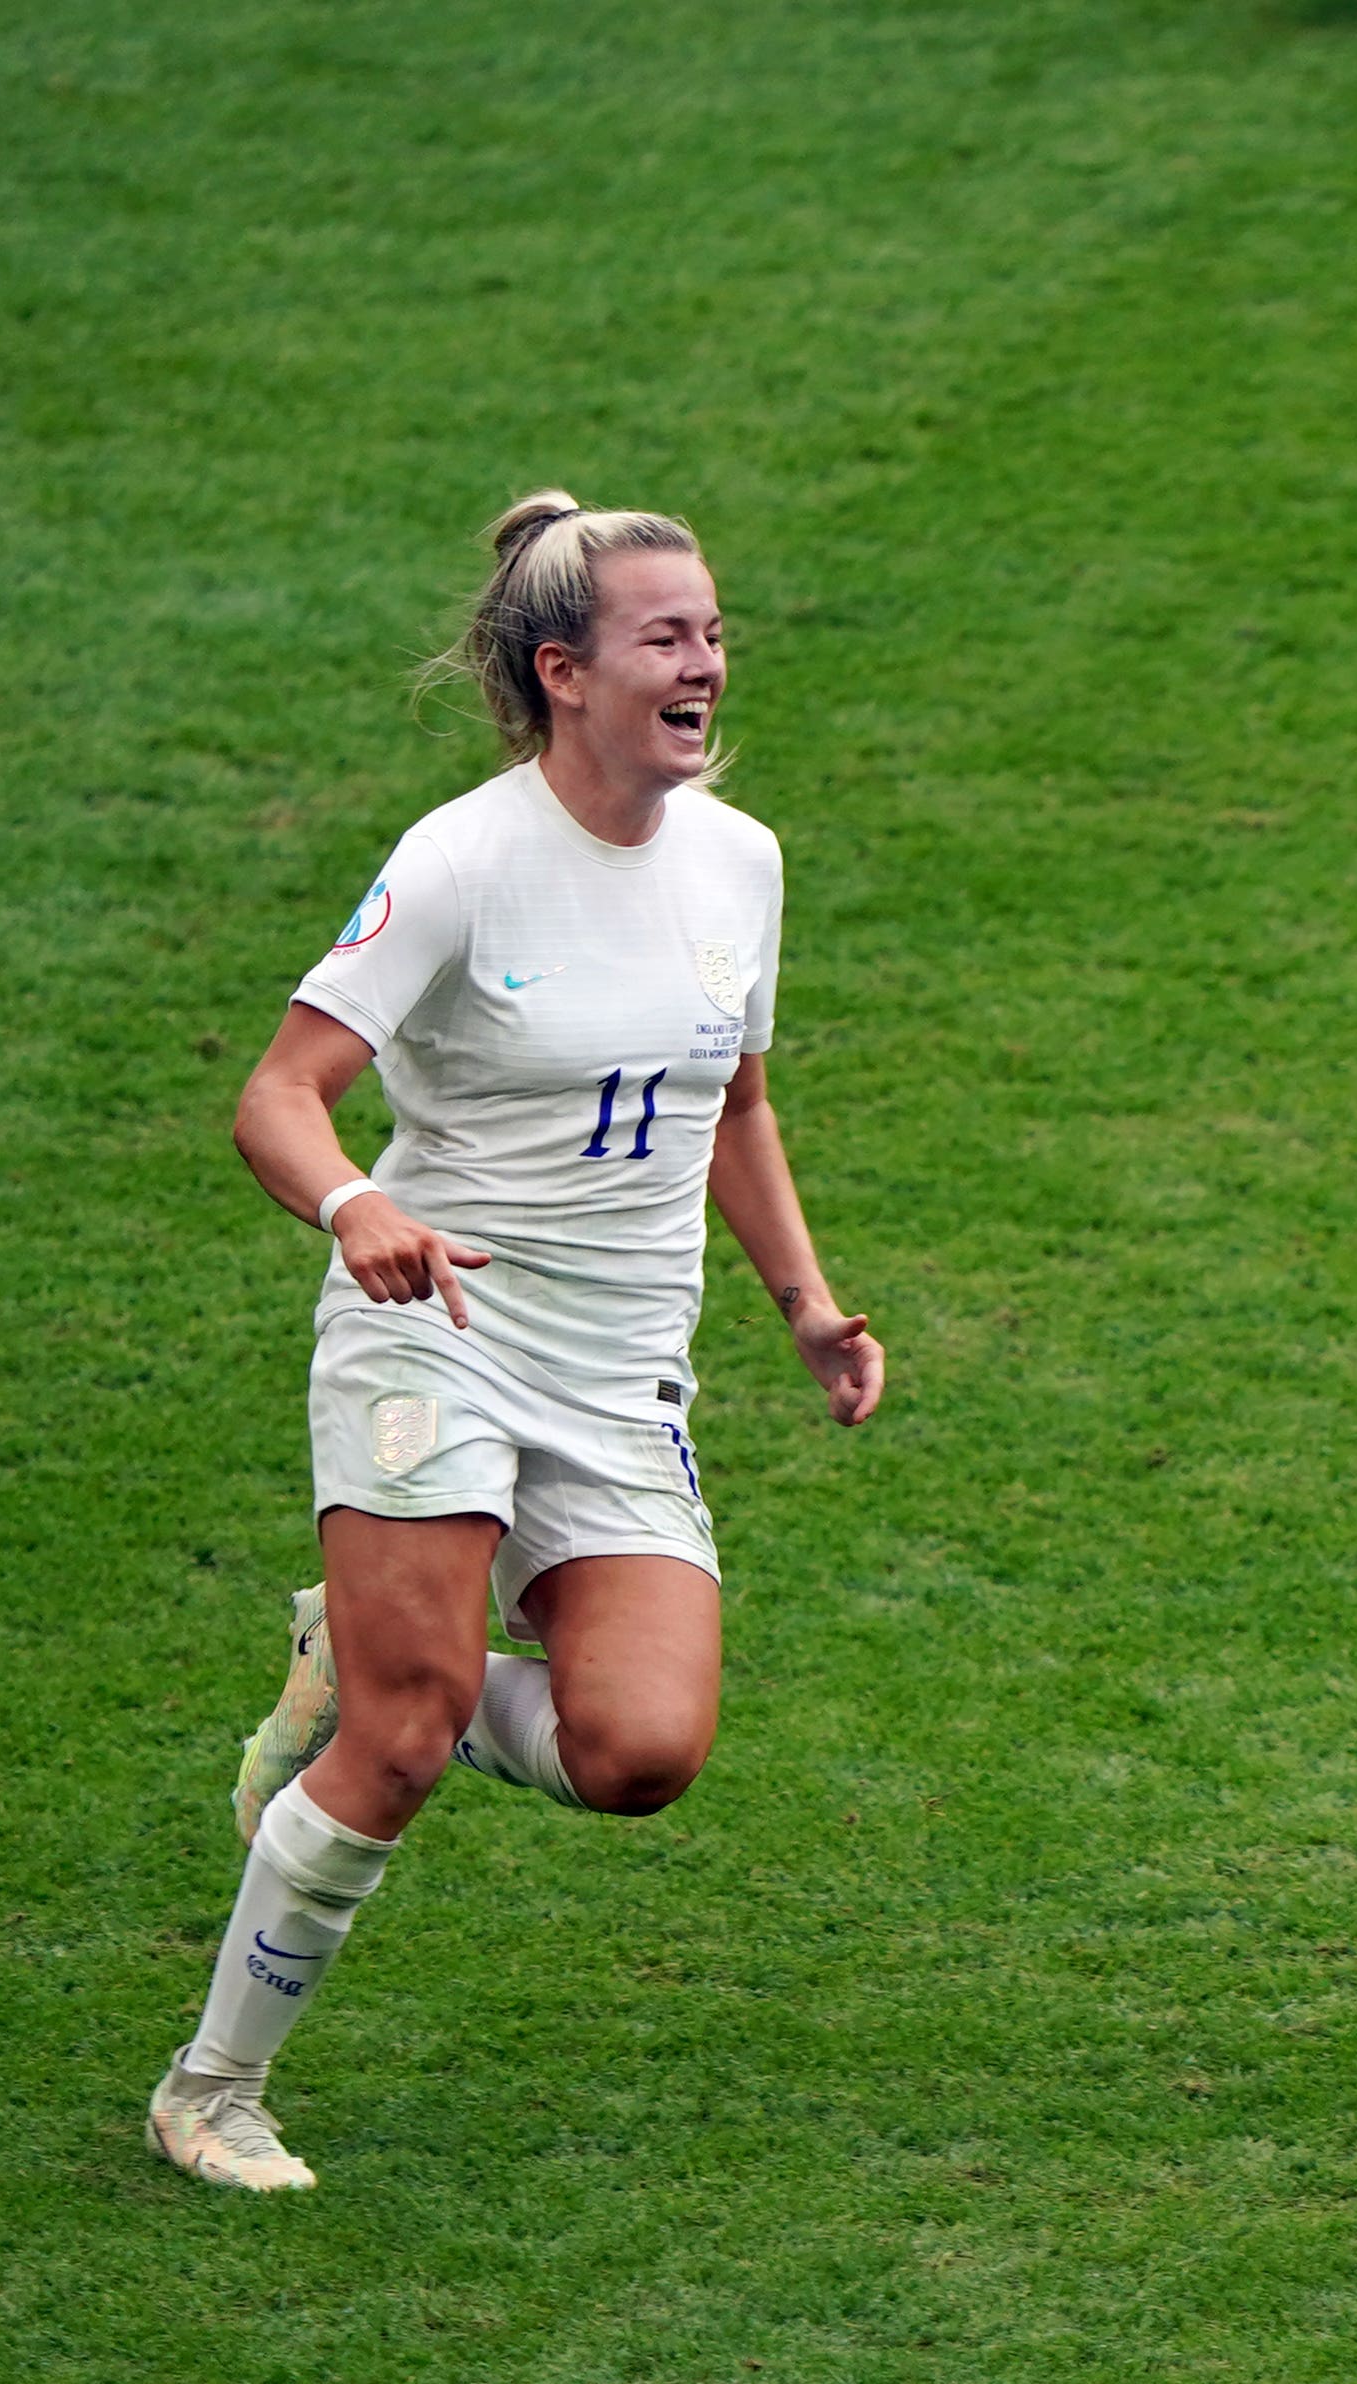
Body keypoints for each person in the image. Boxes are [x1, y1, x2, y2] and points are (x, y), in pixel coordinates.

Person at [146, 492, 886, 2194]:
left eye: (711, 631)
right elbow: (278, 1097)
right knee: (396, 1749)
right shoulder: (463, 859)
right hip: (439, 1324)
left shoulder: (741, 858)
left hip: (621, 1369)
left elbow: (735, 1100)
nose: (707, 663)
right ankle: (210, 2090)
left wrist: (805, 1305)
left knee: (641, 1756)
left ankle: (360, 1650)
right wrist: (358, 1211)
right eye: (668, 638)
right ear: (564, 672)